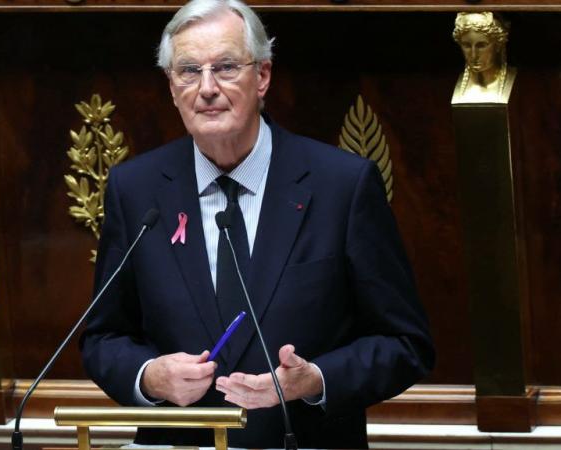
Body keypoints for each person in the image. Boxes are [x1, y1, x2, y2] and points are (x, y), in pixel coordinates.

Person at [80, 0, 434, 447]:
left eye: (225, 67)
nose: (206, 88)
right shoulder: (136, 190)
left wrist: (313, 380)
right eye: (188, 71)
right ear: (171, 87)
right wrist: (149, 376)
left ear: (262, 77)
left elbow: (406, 344)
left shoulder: (341, 185)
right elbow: (103, 338)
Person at [452, 12, 513, 103]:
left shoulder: (523, 85)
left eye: (481, 45)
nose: (474, 55)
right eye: (467, 45)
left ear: (498, 45)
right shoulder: (447, 84)